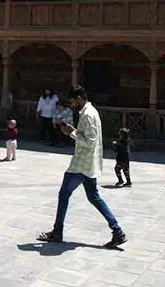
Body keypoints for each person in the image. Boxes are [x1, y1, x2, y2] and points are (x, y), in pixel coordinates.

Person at [37, 86, 127, 248]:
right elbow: (86, 135)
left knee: (64, 194)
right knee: (94, 197)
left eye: (72, 101)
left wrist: (71, 133)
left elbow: (90, 141)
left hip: (81, 164)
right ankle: (117, 231)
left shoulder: (88, 114)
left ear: (79, 98)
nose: (71, 104)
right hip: (89, 164)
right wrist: (74, 131)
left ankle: (57, 232)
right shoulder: (90, 111)